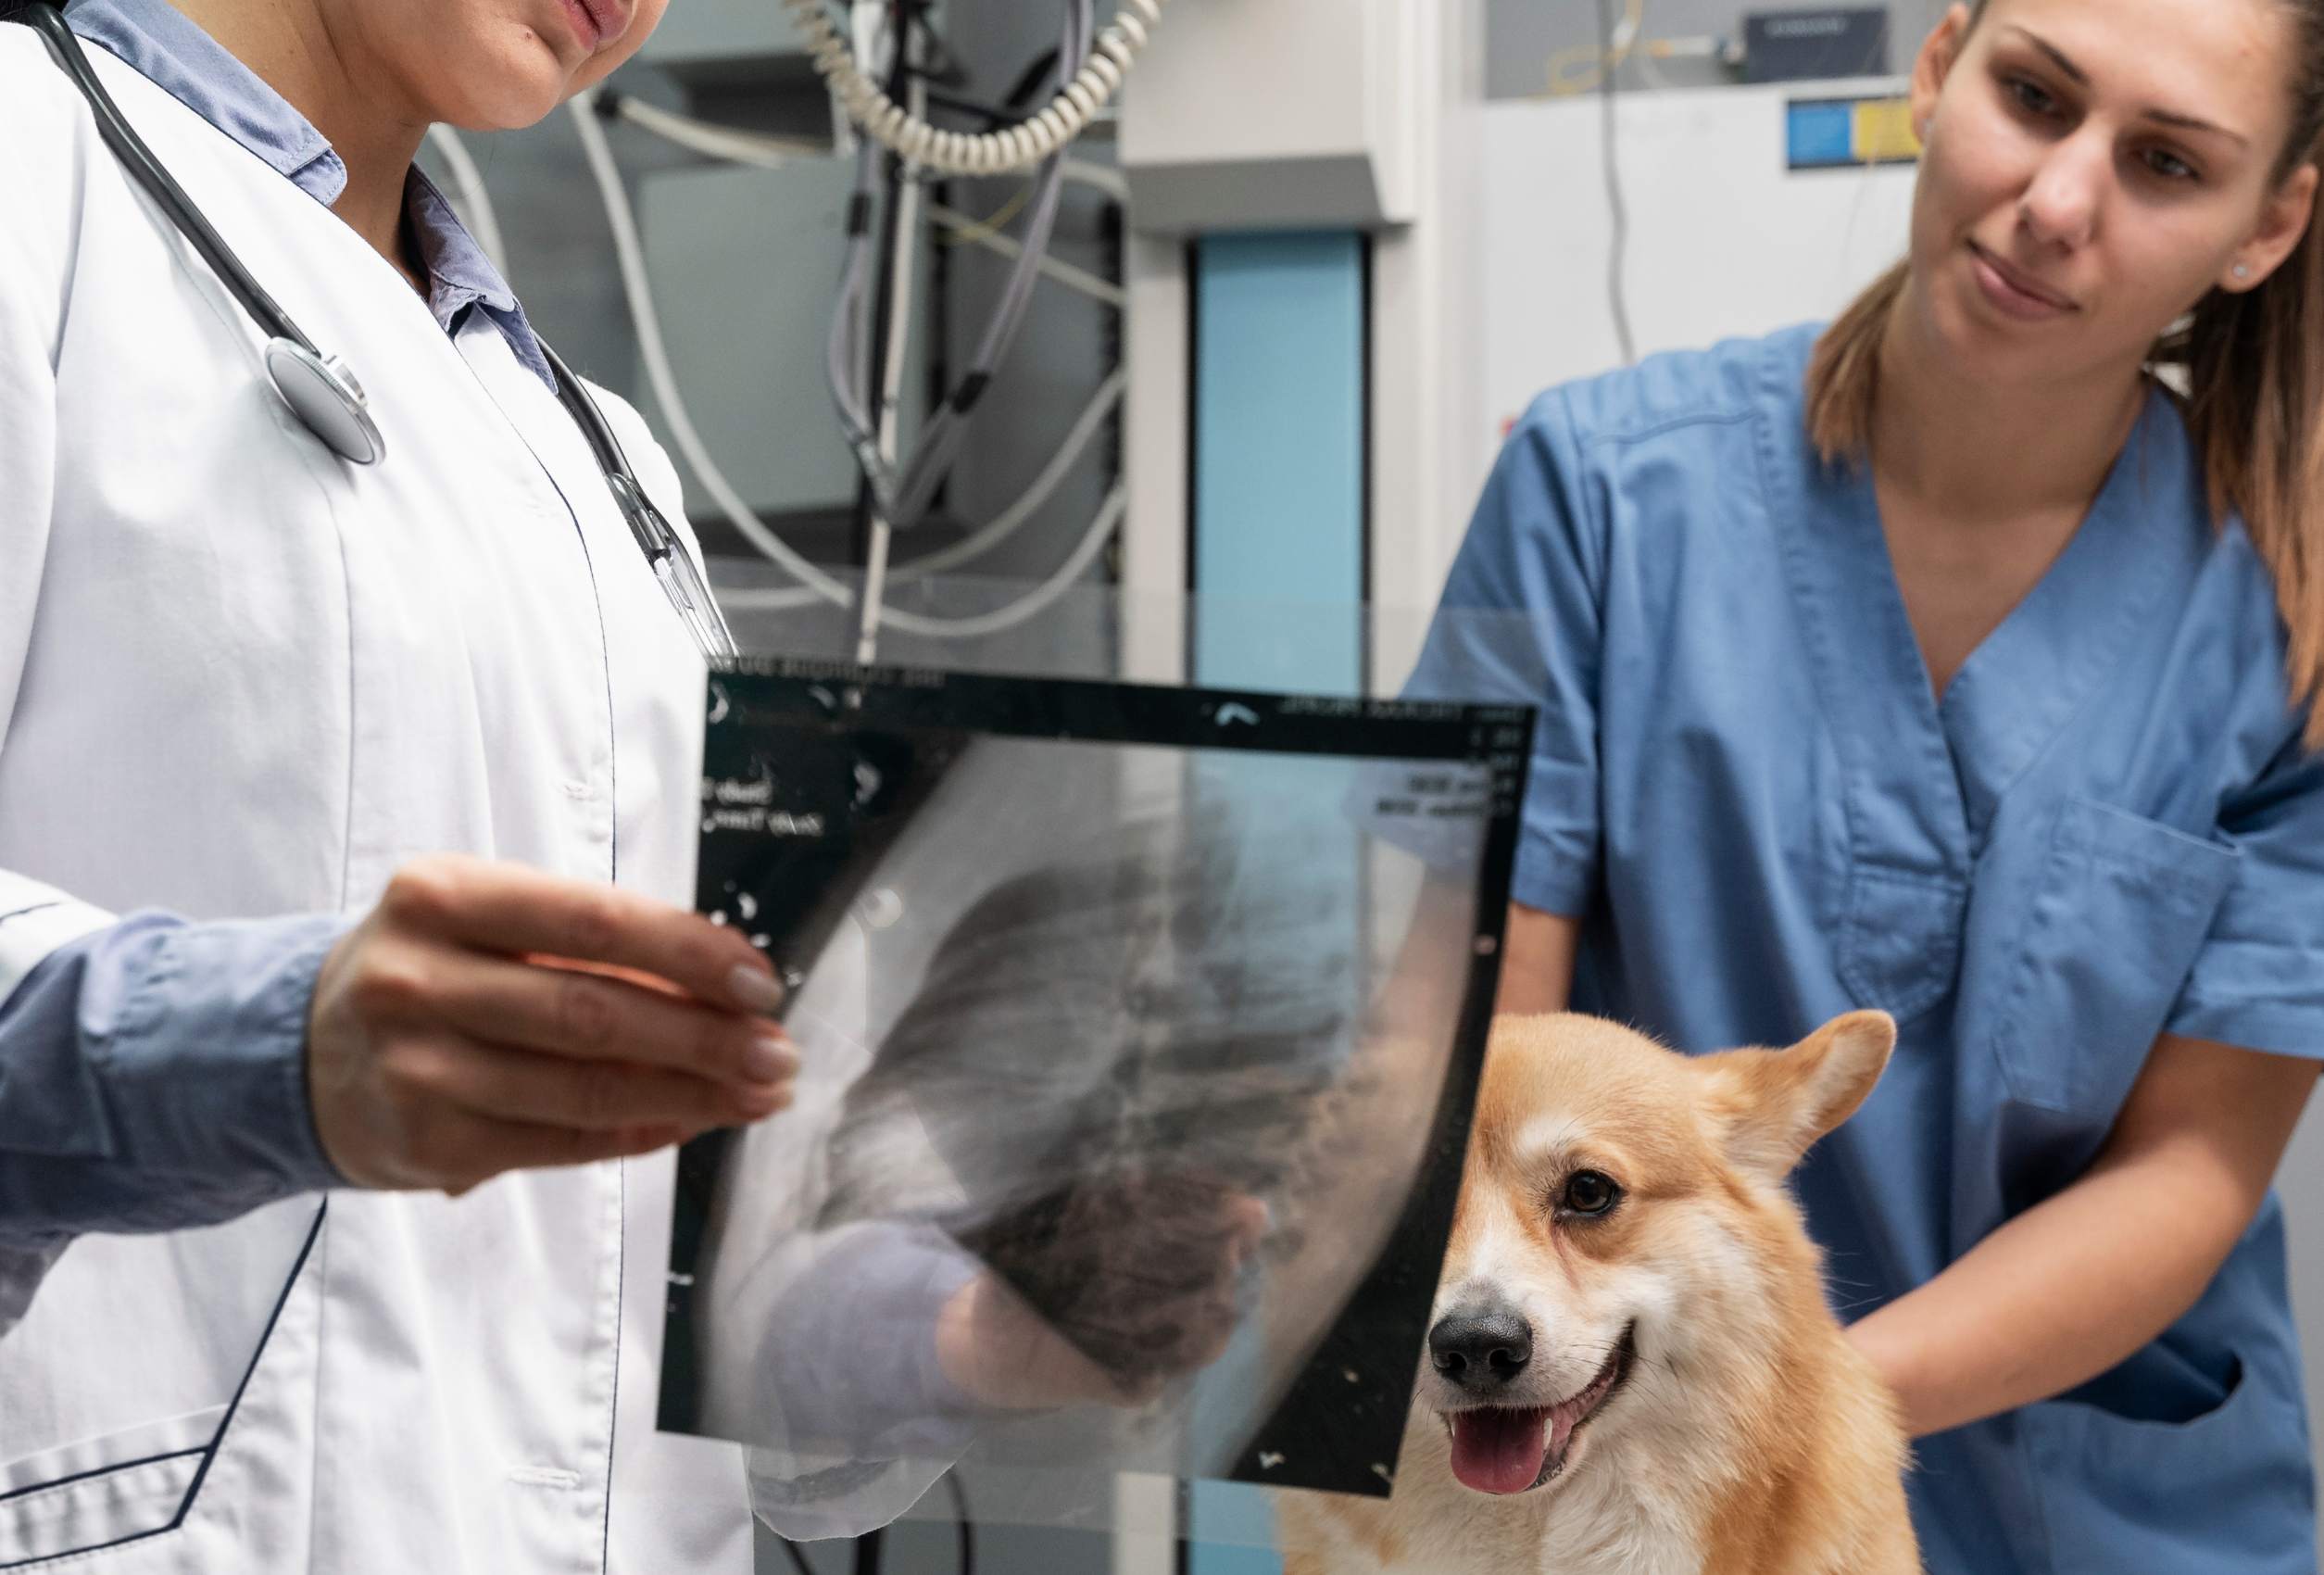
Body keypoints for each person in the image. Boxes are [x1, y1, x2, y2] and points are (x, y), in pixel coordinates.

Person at [0, 0, 1171, 1568]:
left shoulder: (590, 448)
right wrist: (269, 1055)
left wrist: (968, 1326)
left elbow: (663, 1246)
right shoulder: (31, 171)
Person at [1410, 1, 2324, 1569]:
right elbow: (1468, 1062)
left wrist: (1802, 1408)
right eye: (2032, 96)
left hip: (2095, 1502)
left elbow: (2192, 1164)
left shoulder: (2288, 622)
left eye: (2166, 162)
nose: (2054, 201)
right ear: (1936, 61)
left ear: (2268, 227)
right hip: (1610, 1479)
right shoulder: (1600, 499)